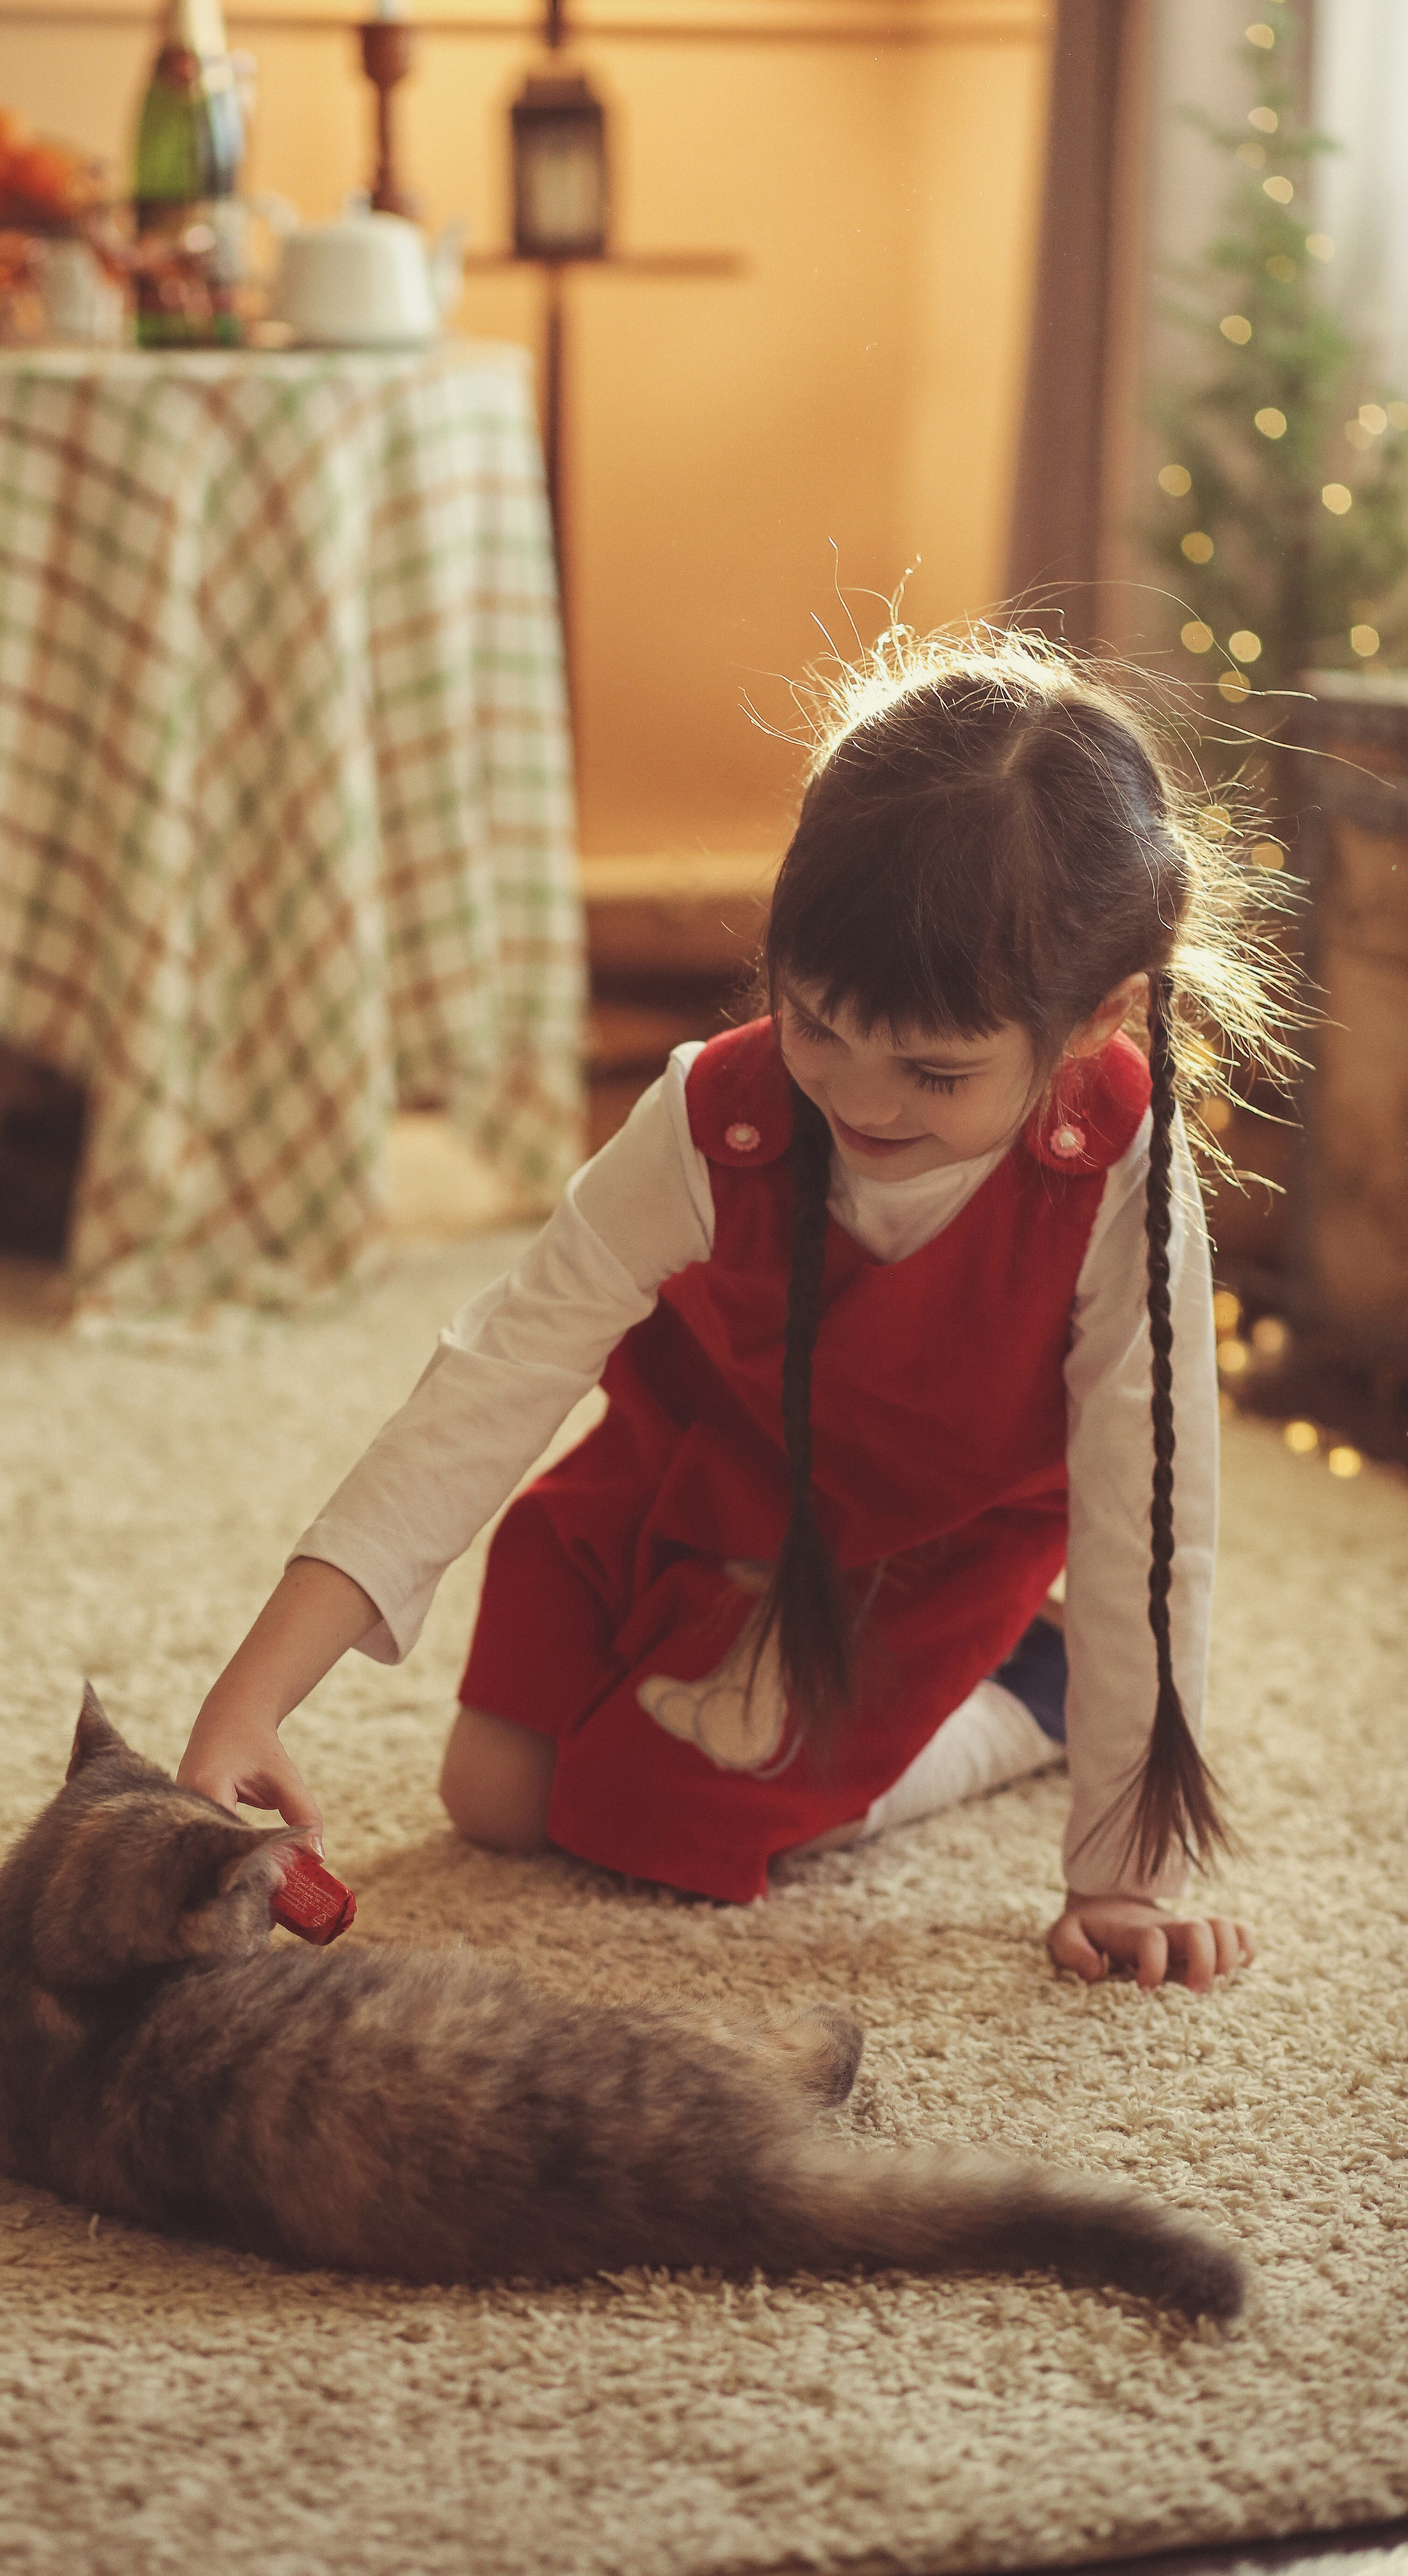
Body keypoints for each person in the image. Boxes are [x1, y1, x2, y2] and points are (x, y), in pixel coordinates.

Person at [179, 633, 1290, 1991]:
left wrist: (1124, 1872)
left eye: (933, 1072)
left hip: (925, 1548)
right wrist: (256, 1689)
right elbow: (493, 1377)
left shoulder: (1117, 1166)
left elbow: (1144, 1520)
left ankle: (1026, 1691)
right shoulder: (721, 1114)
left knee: (648, 1820)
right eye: (815, 1024)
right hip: (698, 1481)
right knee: (498, 1798)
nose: (860, 1102)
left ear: (1095, 1023)